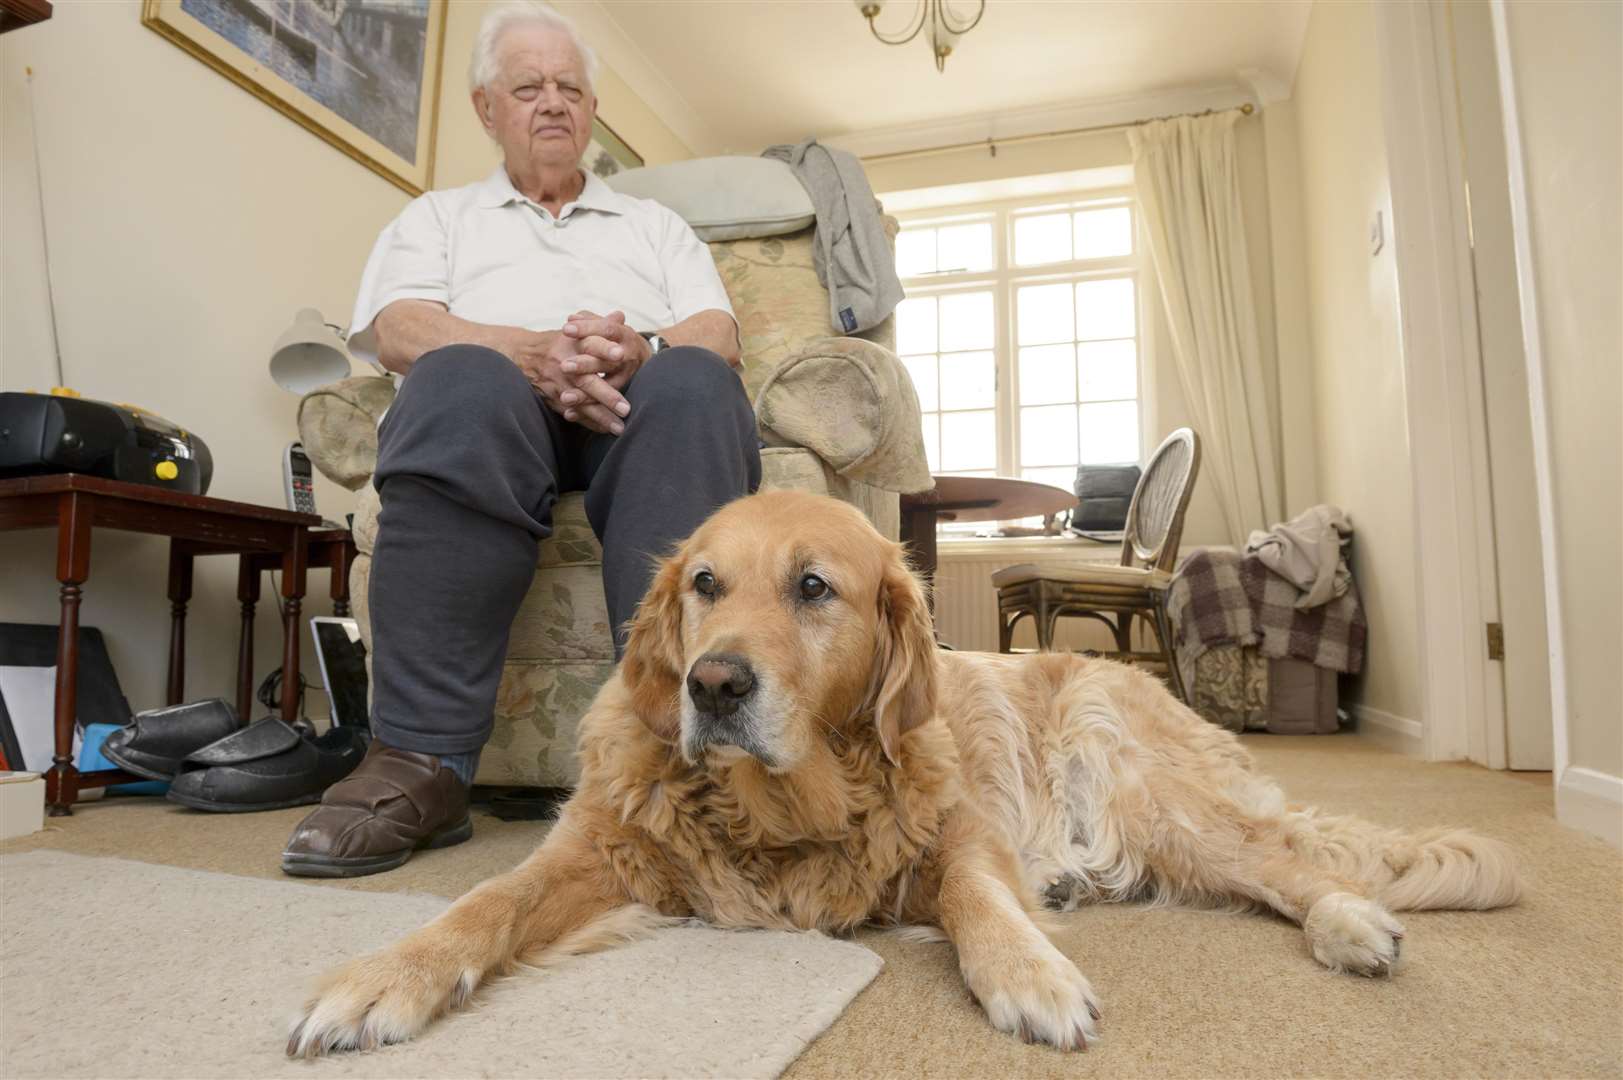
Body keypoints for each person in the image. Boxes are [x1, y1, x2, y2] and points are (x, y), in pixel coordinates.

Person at [280, 1, 760, 879]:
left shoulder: (656, 227)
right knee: (456, 376)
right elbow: (398, 327)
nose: (552, 103)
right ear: (486, 107)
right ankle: (423, 764)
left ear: (590, 111)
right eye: (528, 86)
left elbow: (716, 333)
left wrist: (638, 352)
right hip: (499, 406)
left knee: (695, 382)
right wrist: (529, 354)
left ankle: (684, 756)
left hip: (638, 407)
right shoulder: (439, 217)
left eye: (569, 88)